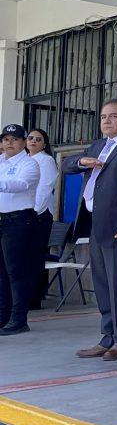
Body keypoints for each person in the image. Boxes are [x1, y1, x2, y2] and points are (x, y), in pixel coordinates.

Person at [64, 100, 117, 360]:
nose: (107, 121)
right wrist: (82, 161)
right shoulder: (98, 146)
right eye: (103, 117)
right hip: (96, 223)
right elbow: (67, 165)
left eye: (113, 116)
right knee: (102, 283)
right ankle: (108, 335)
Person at [0, 124, 41, 336]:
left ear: (24, 142)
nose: (9, 143)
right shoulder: (1, 162)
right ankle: (3, 316)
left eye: (14, 139)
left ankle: (19, 318)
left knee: (16, 272)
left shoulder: (29, 163)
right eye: (5, 139)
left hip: (19, 221)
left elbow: (23, 184)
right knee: (1, 272)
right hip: (2, 220)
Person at [26, 128, 57, 310]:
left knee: (35, 256)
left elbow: (44, 189)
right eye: (30, 138)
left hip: (39, 214)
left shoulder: (46, 161)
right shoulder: (24, 160)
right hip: (24, 214)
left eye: (38, 139)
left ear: (44, 144)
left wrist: (33, 212)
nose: (33, 141)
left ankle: (33, 298)